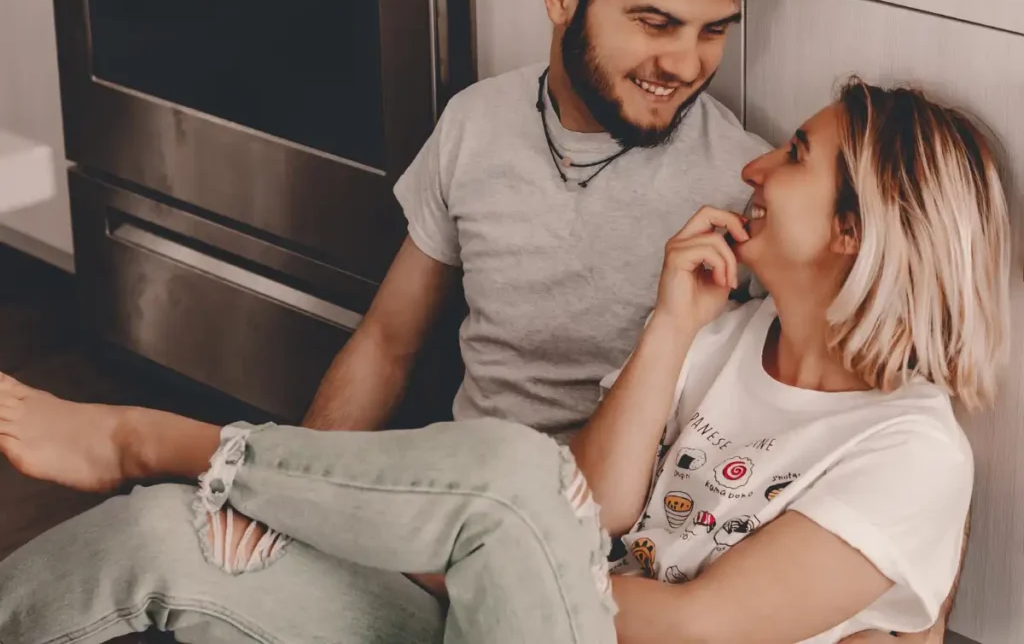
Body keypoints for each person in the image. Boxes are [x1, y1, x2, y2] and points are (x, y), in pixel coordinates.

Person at [1, 78, 1008, 644]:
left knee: (515, 479)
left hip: (544, 615)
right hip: (511, 620)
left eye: (792, 154)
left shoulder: (910, 451)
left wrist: (461, 554)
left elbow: (697, 626)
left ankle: (159, 437)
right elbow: (597, 505)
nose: (751, 165)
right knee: (165, 537)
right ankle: (185, 474)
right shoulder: (731, 333)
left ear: (854, 228)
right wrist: (666, 325)